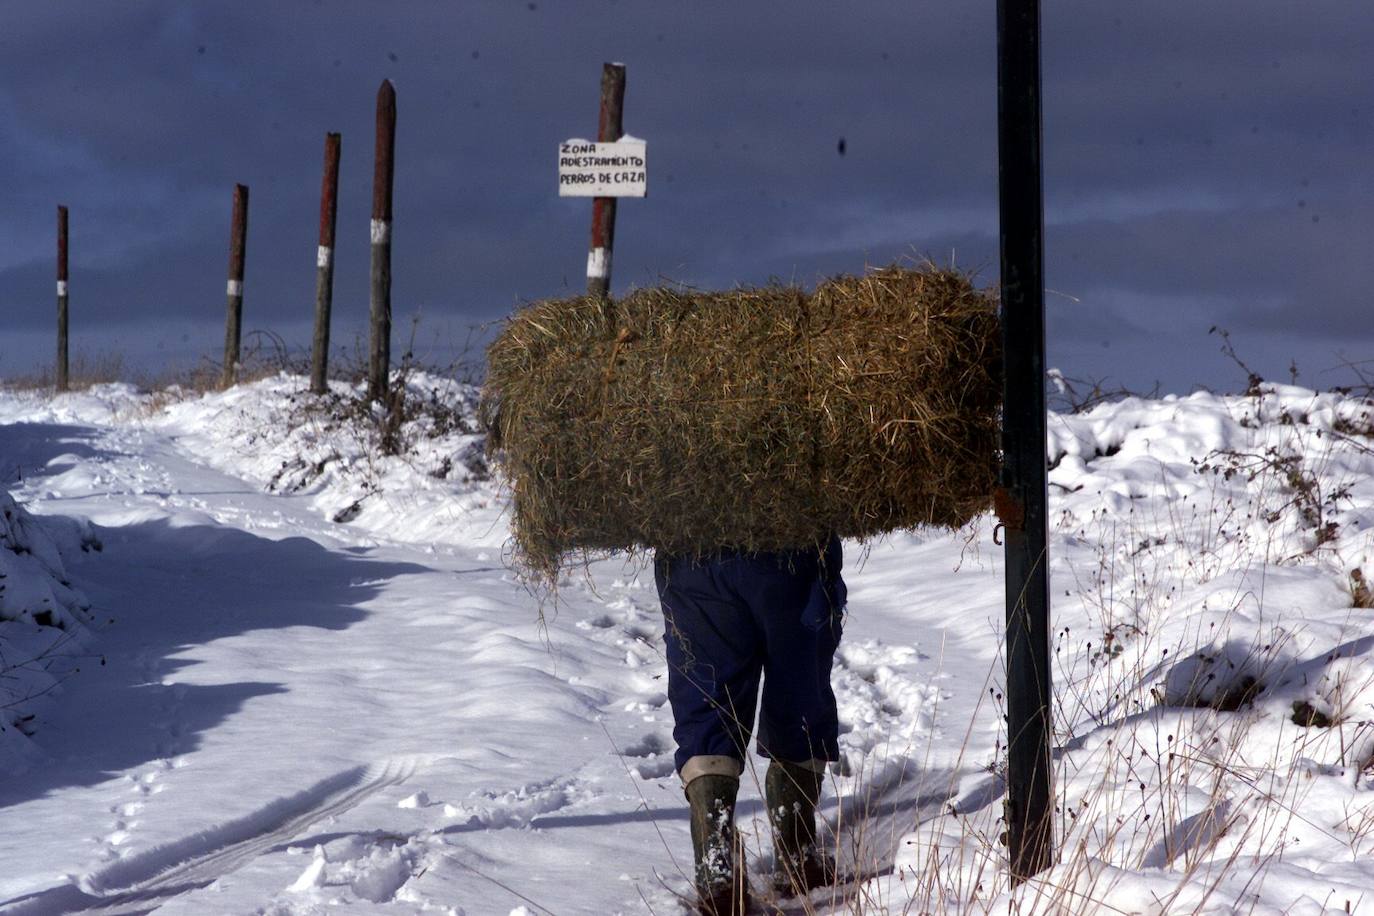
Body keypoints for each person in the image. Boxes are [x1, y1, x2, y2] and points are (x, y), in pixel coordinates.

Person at [654, 535, 847, 915]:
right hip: (790, 553)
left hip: (691, 553)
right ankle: (797, 857)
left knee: (707, 703)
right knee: (799, 692)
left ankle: (717, 872)